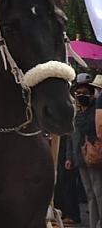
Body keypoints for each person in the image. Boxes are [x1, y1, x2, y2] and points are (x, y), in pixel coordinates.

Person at [65, 73, 102, 228]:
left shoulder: (95, 110)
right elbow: (70, 137)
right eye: (79, 93)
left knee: (98, 192)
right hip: (80, 157)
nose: (82, 95)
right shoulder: (76, 112)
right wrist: (69, 157)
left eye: (86, 92)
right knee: (90, 194)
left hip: (95, 155)